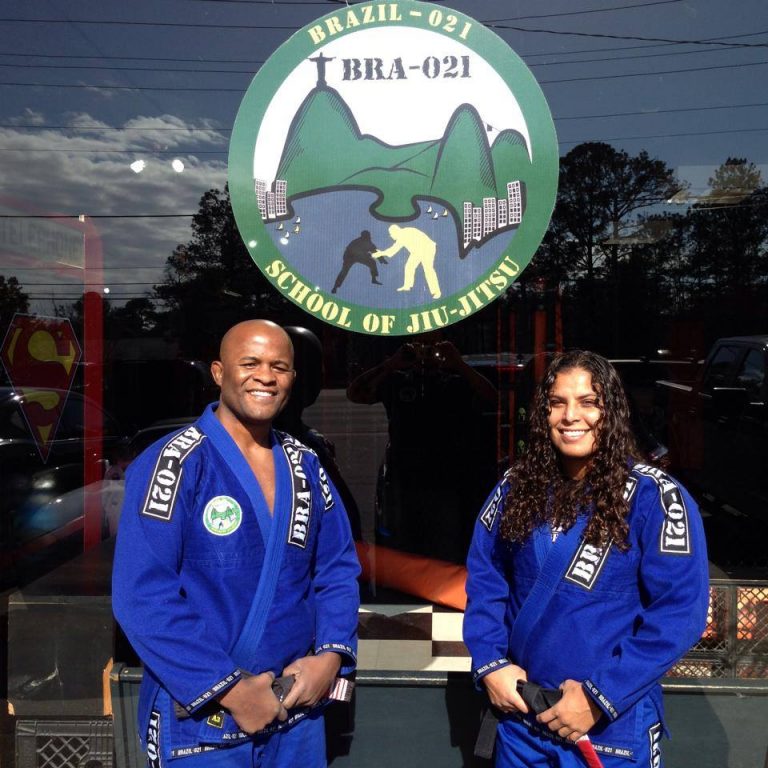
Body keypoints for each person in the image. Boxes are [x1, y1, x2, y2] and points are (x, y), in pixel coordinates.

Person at [112, 319, 360, 768]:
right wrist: (231, 689)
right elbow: (143, 596)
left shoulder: (305, 465)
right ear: (218, 372)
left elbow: (337, 568)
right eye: (250, 363)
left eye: (279, 366)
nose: (265, 376)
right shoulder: (173, 464)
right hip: (201, 714)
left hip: (295, 710)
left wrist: (331, 655)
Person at [463, 350, 709, 767]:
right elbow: (487, 578)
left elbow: (679, 613)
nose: (569, 416)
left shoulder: (655, 498)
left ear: (611, 411)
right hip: (523, 721)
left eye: (587, 402)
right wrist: (489, 663)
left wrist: (600, 696)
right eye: (557, 403)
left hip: (610, 728)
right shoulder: (516, 487)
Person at [372, 224, 441, 299]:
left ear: (396, 232)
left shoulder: (403, 235)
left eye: (391, 234)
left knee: (428, 269)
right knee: (409, 267)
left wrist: (380, 253)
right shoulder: (403, 233)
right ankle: (407, 286)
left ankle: (436, 292)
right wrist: (381, 253)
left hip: (428, 247)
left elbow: (393, 250)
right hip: (417, 250)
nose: (391, 236)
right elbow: (392, 250)